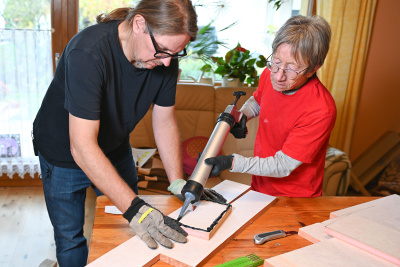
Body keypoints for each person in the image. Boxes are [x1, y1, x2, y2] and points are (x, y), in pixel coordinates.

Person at [32, 0, 199, 266]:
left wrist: (176, 181)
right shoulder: (87, 52)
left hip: (114, 147)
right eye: (163, 51)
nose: (168, 63)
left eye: (176, 53)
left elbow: (165, 122)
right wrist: (134, 208)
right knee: (70, 238)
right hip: (64, 153)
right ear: (140, 24)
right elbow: (82, 146)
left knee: (128, 228)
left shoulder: (165, 57)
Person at [205, 15, 337, 198]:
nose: (278, 76)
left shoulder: (321, 110)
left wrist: (231, 162)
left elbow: (283, 166)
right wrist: (243, 116)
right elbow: (259, 99)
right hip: (260, 185)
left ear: (314, 68)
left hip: (295, 198)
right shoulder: (270, 73)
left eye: (292, 69)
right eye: (276, 61)